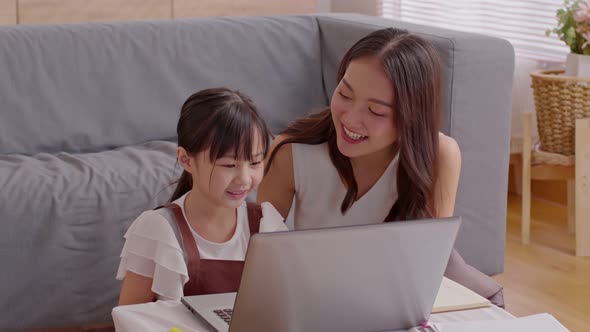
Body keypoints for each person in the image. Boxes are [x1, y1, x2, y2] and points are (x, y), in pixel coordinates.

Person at [257, 28, 504, 307]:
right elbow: (260, 263)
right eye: (345, 94)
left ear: (411, 116)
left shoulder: (440, 155)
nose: (350, 119)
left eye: (376, 111)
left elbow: (431, 266)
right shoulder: (291, 151)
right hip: (314, 301)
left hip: (398, 303)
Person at [117, 88, 287, 305]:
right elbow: (130, 318)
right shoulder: (158, 229)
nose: (244, 179)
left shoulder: (266, 224)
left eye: (255, 162)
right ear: (186, 160)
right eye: (228, 165)